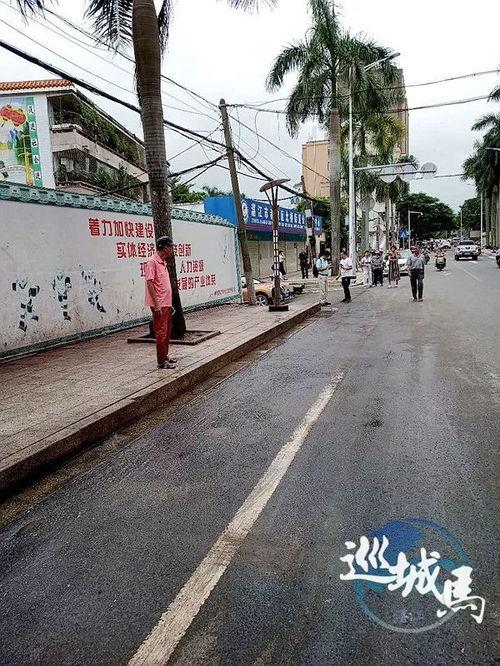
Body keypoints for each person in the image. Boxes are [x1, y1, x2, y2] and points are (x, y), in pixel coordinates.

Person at [144, 236, 177, 369]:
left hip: (166, 303)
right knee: (161, 332)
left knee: (167, 331)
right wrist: (157, 304)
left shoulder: (163, 262)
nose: (171, 250)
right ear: (165, 247)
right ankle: (161, 361)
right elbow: (149, 282)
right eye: (170, 247)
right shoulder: (152, 261)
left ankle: (165, 355)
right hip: (160, 304)